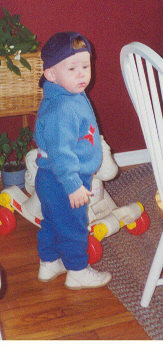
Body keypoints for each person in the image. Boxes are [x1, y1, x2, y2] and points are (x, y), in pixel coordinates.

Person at [34, 31, 112, 290]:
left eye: (86, 66)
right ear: (51, 74)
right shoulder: (63, 108)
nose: (82, 74)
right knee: (73, 226)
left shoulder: (64, 95)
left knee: (54, 221)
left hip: (50, 176)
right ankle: (77, 270)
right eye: (72, 68)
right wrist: (72, 185)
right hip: (65, 179)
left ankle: (49, 263)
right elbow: (61, 153)